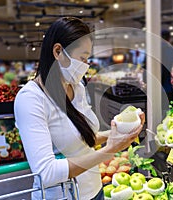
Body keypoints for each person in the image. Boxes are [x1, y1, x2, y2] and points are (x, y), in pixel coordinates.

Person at [14, 17, 145, 200]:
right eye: (82, 58)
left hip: (94, 189)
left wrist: (121, 133)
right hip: (64, 196)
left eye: (88, 58)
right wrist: (109, 150)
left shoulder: (77, 87)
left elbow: (83, 139)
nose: (86, 65)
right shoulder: (31, 99)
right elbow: (47, 172)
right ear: (58, 51)